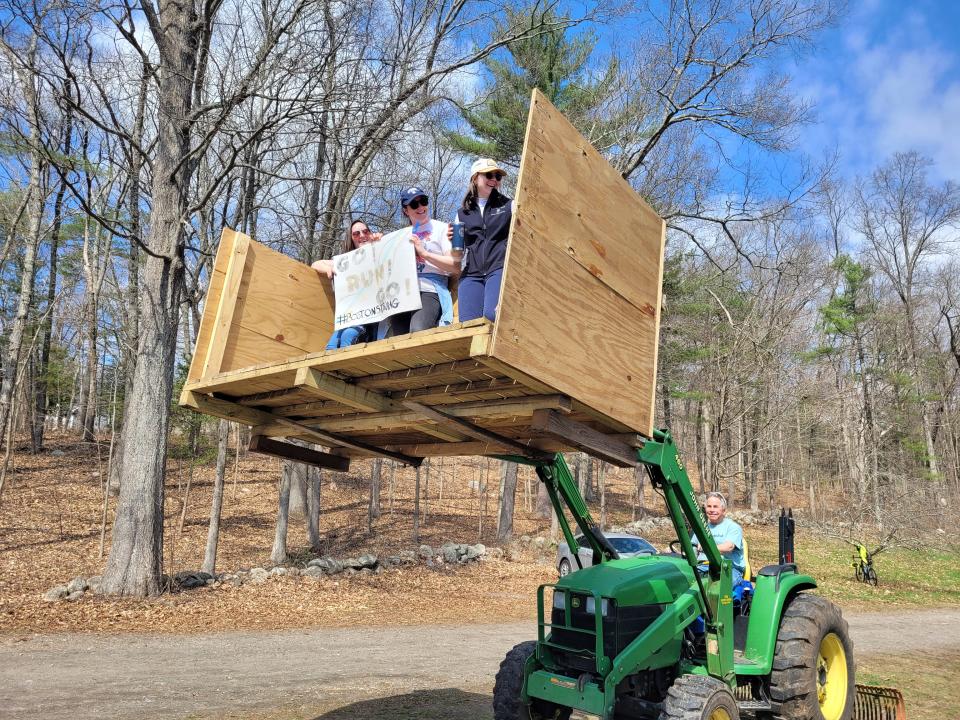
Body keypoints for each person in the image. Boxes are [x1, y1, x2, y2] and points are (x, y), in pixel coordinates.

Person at [386, 186, 460, 337]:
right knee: (397, 338)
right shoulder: (399, 237)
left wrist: (424, 253)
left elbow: (454, 266)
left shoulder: (443, 228)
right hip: (403, 292)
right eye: (414, 204)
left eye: (423, 201)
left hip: (430, 289)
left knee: (418, 331)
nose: (420, 207)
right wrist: (376, 244)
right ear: (406, 210)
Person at [452, 158, 513, 322]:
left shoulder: (509, 206)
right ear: (475, 177)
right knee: (469, 325)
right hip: (472, 275)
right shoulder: (461, 214)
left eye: (498, 177)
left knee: (492, 315)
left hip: (498, 268)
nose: (494, 180)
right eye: (489, 175)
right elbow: (457, 255)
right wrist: (452, 242)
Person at [312, 218, 383, 349]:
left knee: (348, 336)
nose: (362, 235)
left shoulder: (380, 252)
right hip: (350, 318)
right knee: (331, 346)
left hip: (371, 319)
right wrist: (329, 268)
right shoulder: (346, 262)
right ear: (351, 238)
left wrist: (381, 243)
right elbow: (315, 264)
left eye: (365, 231)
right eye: (356, 234)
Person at [691, 491, 746, 586]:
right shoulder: (701, 527)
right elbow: (693, 547)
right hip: (702, 566)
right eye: (709, 506)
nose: (712, 510)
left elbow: (728, 547)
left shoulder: (733, 527)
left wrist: (705, 547)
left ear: (723, 510)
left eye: (715, 506)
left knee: (716, 588)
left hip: (728, 569)